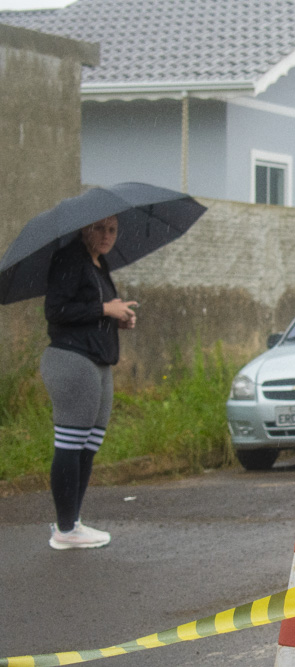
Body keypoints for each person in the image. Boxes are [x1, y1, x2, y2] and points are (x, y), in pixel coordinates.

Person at [41, 215, 136, 549]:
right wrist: (104, 309)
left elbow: (96, 311)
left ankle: (72, 523)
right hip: (72, 360)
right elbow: (56, 311)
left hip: (97, 361)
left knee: (88, 444)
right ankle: (65, 530)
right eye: (99, 228)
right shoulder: (70, 259)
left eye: (112, 229)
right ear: (83, 228)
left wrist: (118, 316)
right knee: (70, 442)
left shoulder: (98, 263)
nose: (107, 235)